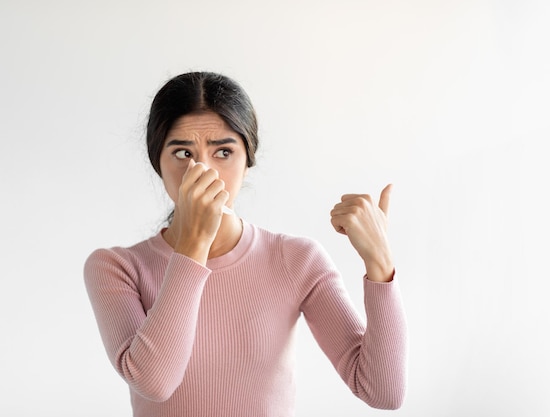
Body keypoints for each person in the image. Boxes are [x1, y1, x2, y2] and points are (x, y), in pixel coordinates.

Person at [84, 71, 407, 417]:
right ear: (158, 164)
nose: (203, 171)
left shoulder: (297, 259)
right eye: (182, 154)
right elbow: (155, 383)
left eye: (223, 151)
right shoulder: (116, 268)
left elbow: (382, 391)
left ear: (247, 163)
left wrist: (380, 264)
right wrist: (194, 246)